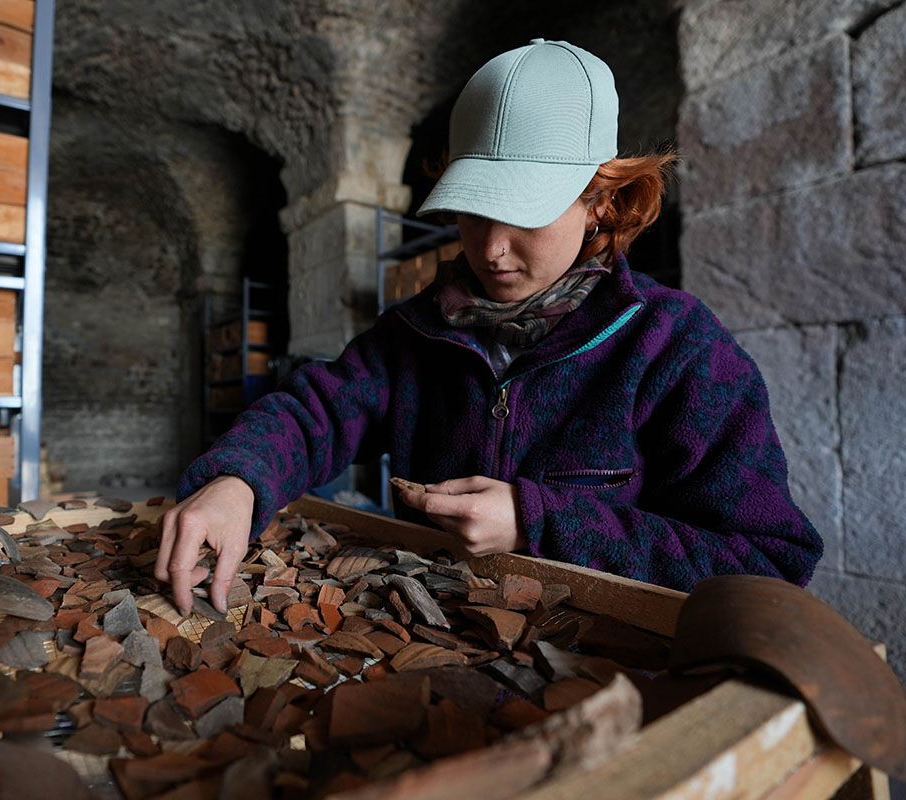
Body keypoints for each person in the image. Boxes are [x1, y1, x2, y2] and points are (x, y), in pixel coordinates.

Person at [155, 39, 823, 616]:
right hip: (432, 649)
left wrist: (539, 524)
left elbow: (765, 563)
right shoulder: (414, 334)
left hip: (604, 683)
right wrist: (237, 480)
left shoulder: (678, 350)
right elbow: (315, 413)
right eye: (473, 213)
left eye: (524, 216)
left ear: (602, 201)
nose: (492, 250)